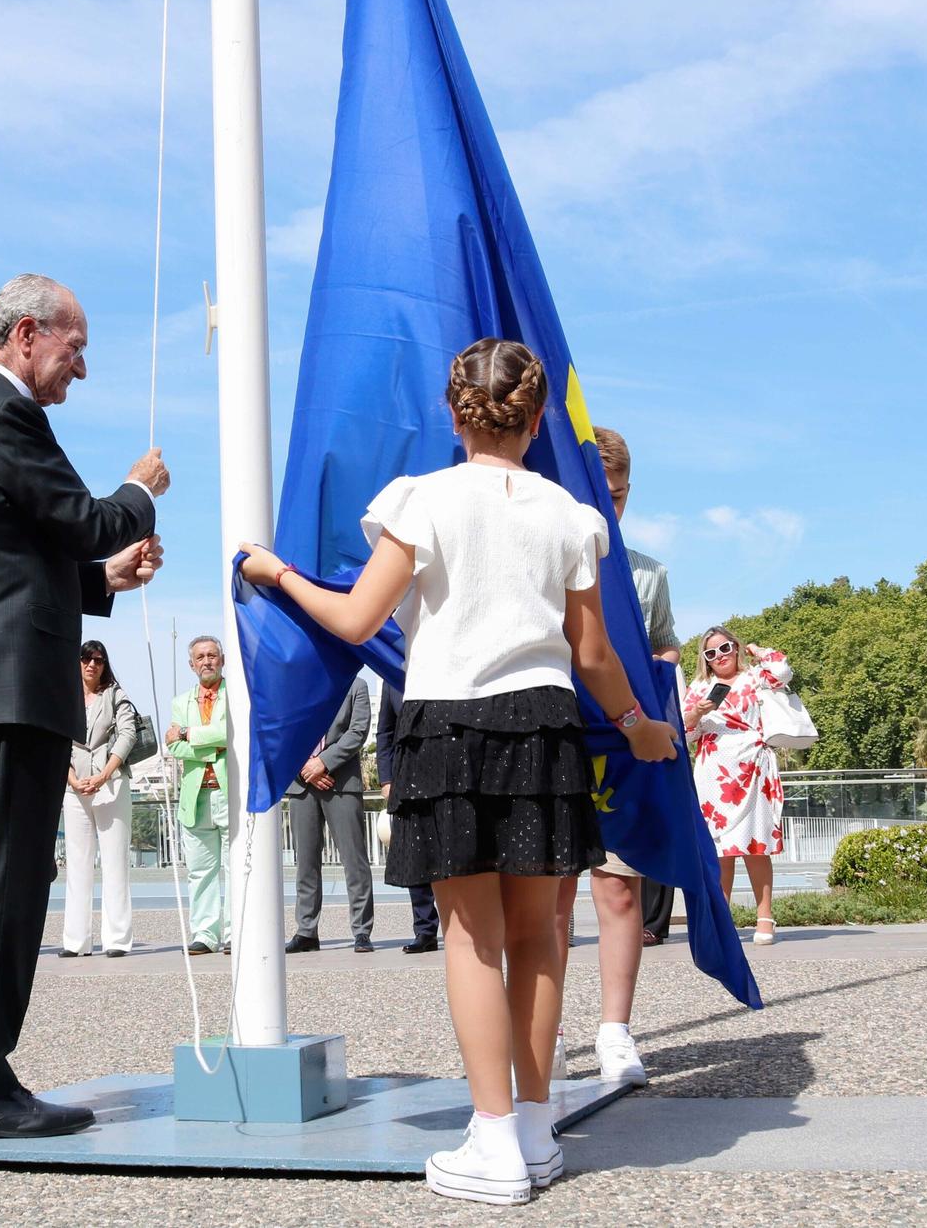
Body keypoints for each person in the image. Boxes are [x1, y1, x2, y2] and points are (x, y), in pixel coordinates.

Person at [239, 338, 678, 1205]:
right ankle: (537, 1127)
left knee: (472, 937)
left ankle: (492, 1143)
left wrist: (276, 572)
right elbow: (591, 651)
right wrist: (638, 724)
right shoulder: (572, 514)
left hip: (451, 725)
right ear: (539, 416)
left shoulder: (422, 499)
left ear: (453, 413)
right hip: (546, 723)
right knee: (538, 937)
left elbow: (362, 618)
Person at [0, 271, 165, 1142]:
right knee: (9, 884)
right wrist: (140, 494)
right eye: (74, 348)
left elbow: (0, 551)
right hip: (8, 684)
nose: (78, 370)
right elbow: (84, 518)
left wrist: (99, 581)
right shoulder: (10, 415)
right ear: (25, 334)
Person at [556, 424, 680, 1085]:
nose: (612, 507)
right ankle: (543, 1026)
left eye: (622, 495)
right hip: (556, 737)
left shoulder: (648, 575)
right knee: (546, 896)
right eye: (600, 494)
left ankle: (615, 1030)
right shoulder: (550, 558)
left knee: (620, 893)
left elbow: (664, 652)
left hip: (626, 747)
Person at [683, 626, 792, 945]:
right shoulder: (701, 686)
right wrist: (697, 712)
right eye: (711, 653)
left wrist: (757, 649)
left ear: (736, 647)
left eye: (726, 648)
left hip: (752, 765)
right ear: (705, 659)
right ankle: (721, 919)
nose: (720, 656)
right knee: (718, 850)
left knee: (756, 846)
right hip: (713, 770)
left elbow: (782, 671)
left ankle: (765, 917)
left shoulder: (754, 677)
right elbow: (685, 733)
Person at [286, 675, 375, 953]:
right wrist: (307, 768)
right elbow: (285, 730)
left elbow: (357, 732)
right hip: (302, 785)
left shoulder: (356, 686)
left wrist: (323, 763)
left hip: (342, 783)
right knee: (306, 862)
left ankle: (361, 931)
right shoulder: (294, 686)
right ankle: (306, 932)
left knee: (354, 860)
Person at [62, 640, 138, 959]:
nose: (92, 664)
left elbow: (128, 734)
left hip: (111, 784)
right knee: (77, 863)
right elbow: (56, 738)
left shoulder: (116, 695)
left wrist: (105, 774)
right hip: (74, 786)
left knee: (114, 862)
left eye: (98, 659)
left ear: (105, 664)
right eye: (86, 659)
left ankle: (117, 939)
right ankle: (76, 941)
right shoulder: (63, 696)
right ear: (77, 662)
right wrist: (74, 780)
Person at [166, 637, 231, 956]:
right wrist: (214, 745)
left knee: (234, 869)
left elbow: (232, 731)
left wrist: (191, 733)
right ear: (191, 665)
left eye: (212, 655)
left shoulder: (237, 695)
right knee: (200, 871)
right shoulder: (181, 701)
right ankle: (205, 933)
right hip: (195, 796)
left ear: (223, 659)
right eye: (200, 657)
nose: (207, 661)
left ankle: (234, 931)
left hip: (228, 791)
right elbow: (173, 746)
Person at [376, 684, 438, 954]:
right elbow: (384, 732)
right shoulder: (392, 678)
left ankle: (466, 927)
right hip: (407, 777)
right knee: (416, 854)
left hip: (448, 770)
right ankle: (425, 930)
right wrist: (387, 779)